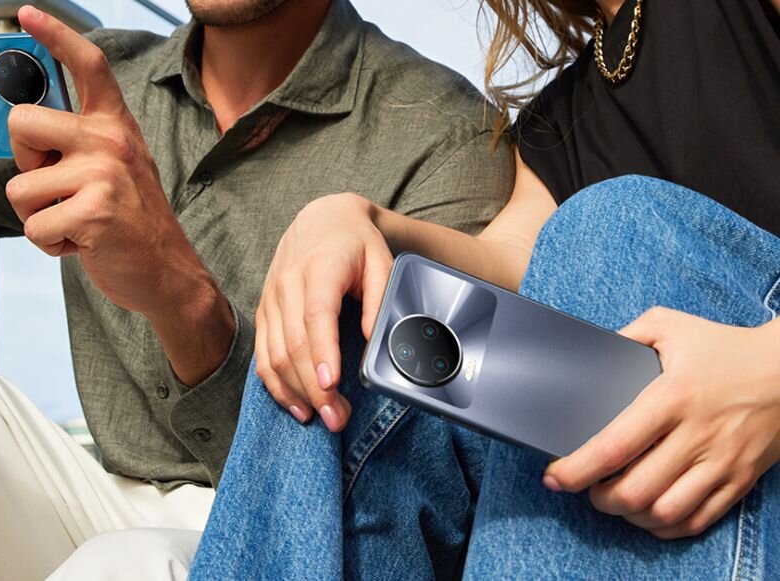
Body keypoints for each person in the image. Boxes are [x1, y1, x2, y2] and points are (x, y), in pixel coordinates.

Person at [0, 0, 512, 578]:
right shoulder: (94, 84)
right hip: (90, 499)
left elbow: (409, 492)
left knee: (123, 563)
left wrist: (179, 291)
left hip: (287, 536)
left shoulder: (445, 136)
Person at [189, 0, 780, 578]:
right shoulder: (561, 120)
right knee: (353, 319)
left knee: (611, 227)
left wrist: (765, 372)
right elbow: (509, 266)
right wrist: (352, 220)